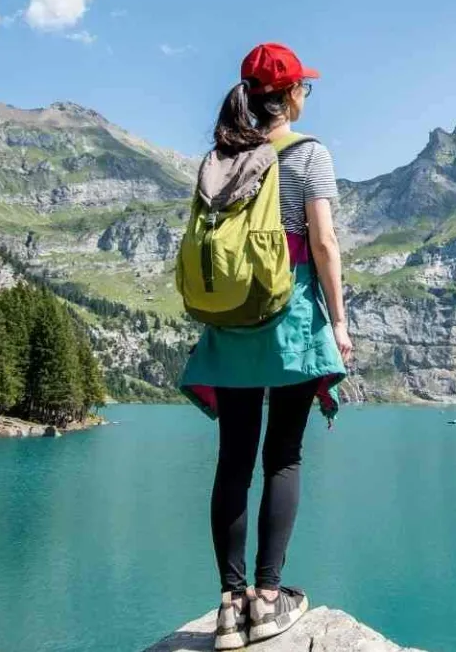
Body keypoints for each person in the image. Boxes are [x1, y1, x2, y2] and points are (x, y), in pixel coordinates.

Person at [178, 43, 353, 650]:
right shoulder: (309, 155)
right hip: (290, 324)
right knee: (282, 457)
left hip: (230, 326)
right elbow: (324, 245)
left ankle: (229, 607)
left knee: (233, 458)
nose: (308, 93)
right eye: (306, 85)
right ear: (292, 94)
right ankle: (269, 601)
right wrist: (339, 321)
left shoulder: (221, 155)